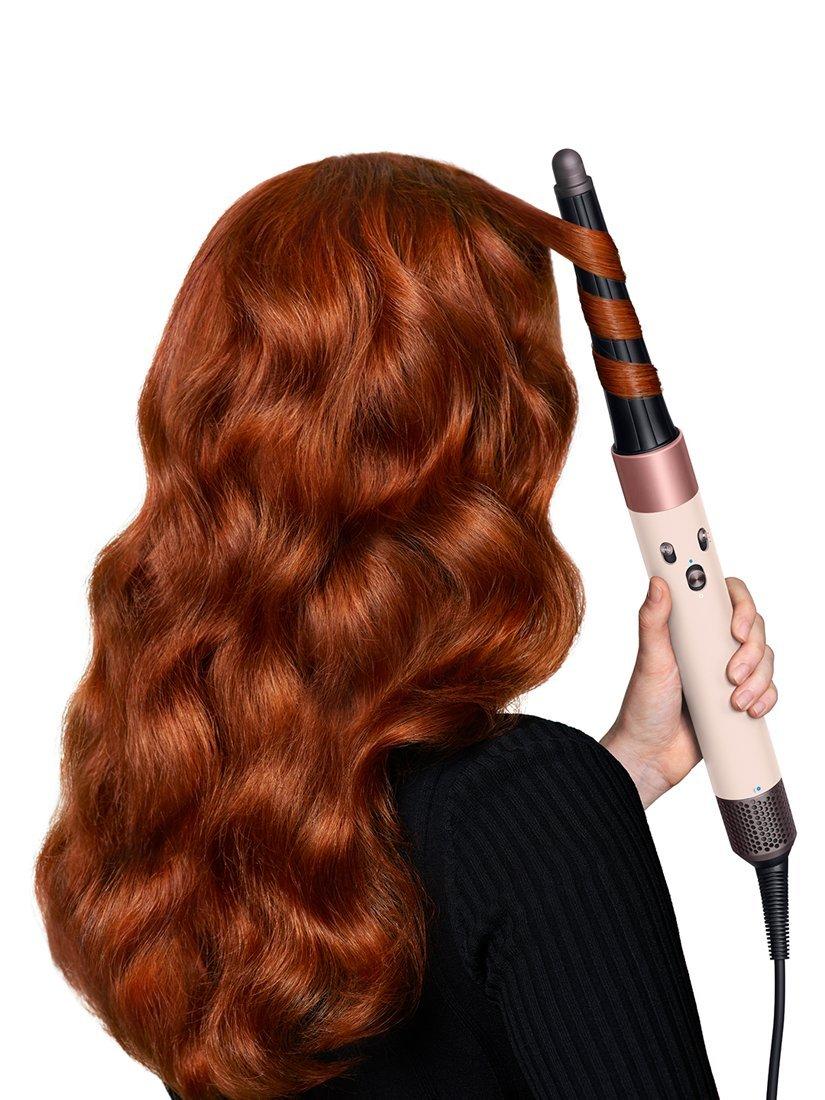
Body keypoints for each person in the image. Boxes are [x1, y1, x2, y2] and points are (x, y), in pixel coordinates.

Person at [37, 154, 777, 1099]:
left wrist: (620, 773)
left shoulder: (192, 795)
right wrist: (565, 810)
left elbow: (418, 917)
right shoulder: (519, 803)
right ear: (494, 426)